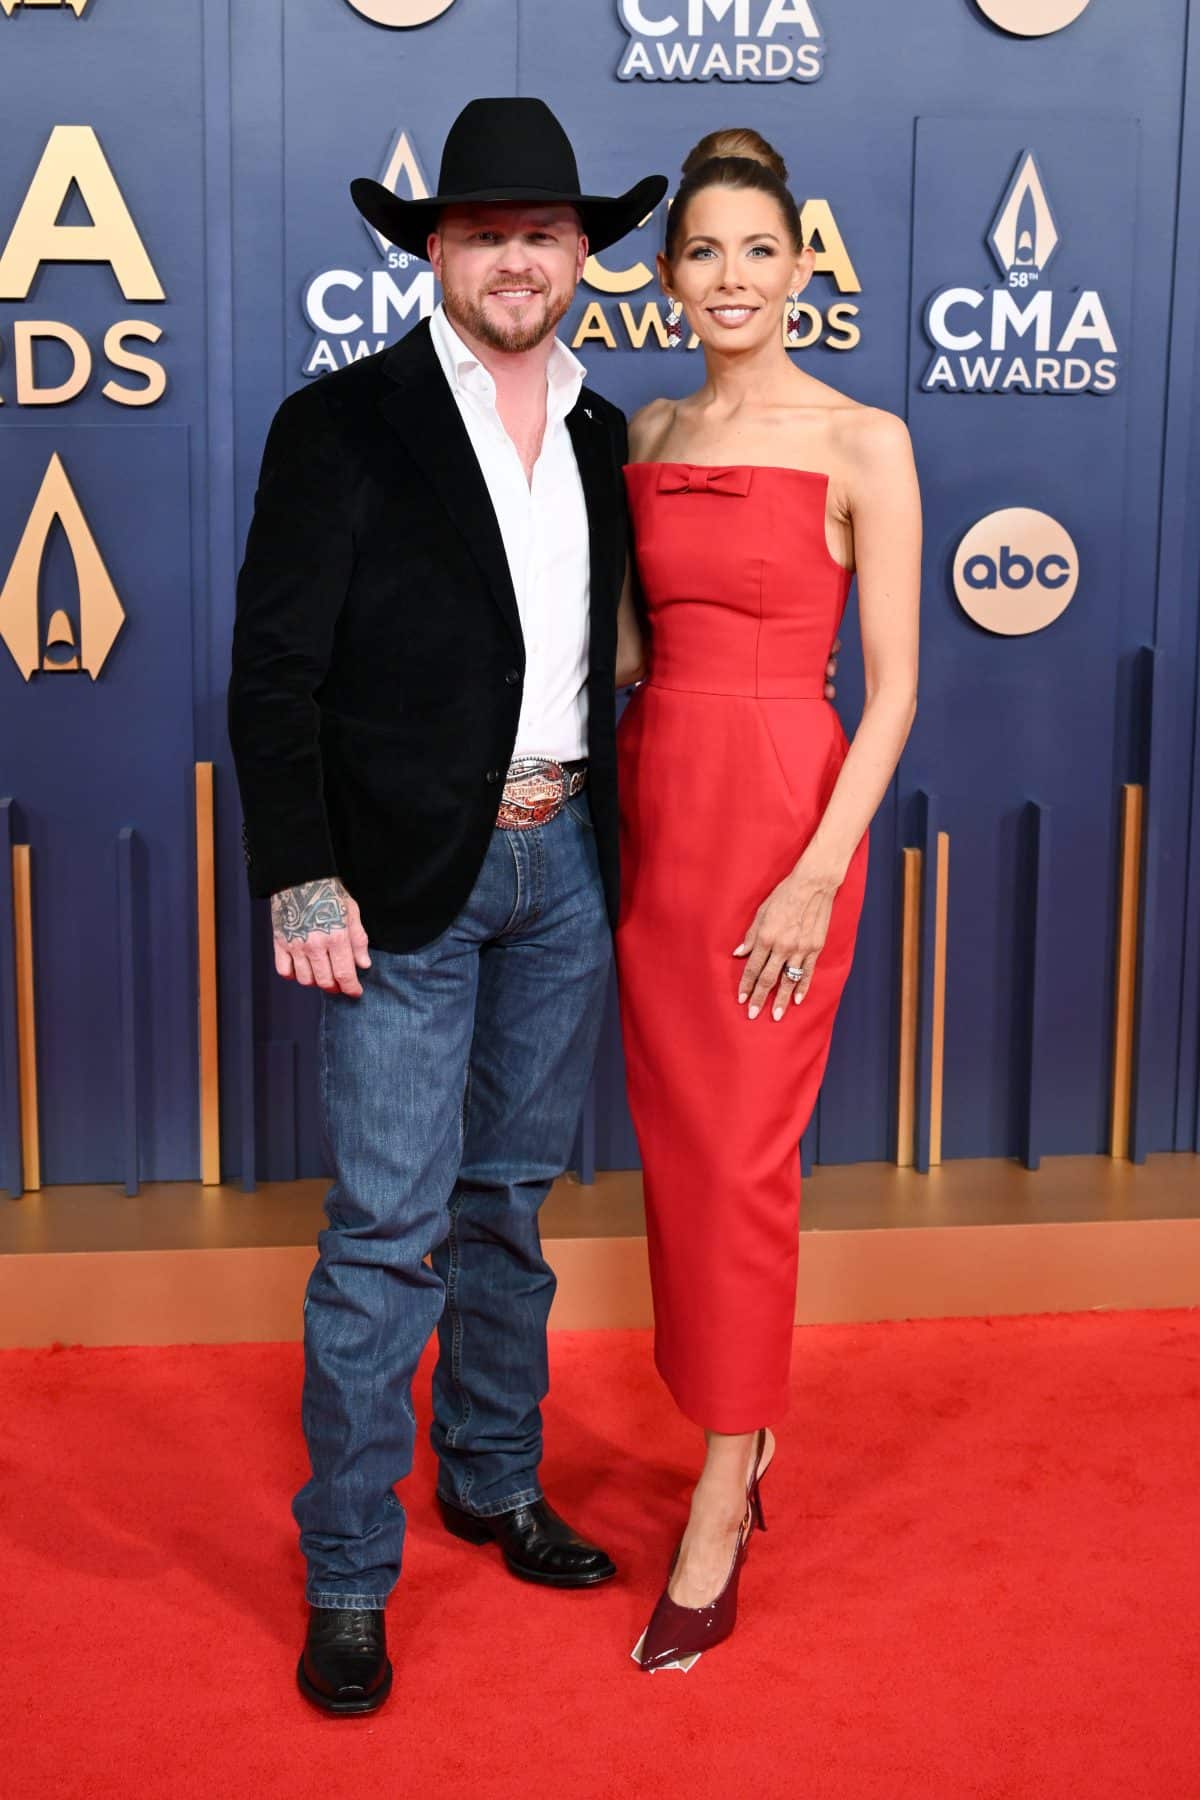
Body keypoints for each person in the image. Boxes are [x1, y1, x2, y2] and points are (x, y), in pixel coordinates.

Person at [227, 97, 671, 1715]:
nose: (515, 260)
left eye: (543, 235)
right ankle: (349, 1568)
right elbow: (273, 678)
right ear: (435, 251)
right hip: (399, 881)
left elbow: (588, 652)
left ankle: (490, 1479)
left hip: (562, 873)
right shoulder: (338, 426)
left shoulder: (614, 434)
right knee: (384, 1238)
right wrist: (302, 871)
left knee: (509, 1207)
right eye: (483, 233)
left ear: (582, 256)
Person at [614, 128, 921, 1671]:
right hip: (656, 812)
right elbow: (617, 653)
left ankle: (724, 1490)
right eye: (702, 253)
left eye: (759, 251)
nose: (731, 278)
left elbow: (894, 695)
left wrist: (814, 868)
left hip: (783, 821)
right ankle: (739, 1432)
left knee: (742, 1160)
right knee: (682, 1155)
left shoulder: (865, 439)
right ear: (667, 277)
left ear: (802, 268)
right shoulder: (651, 428)